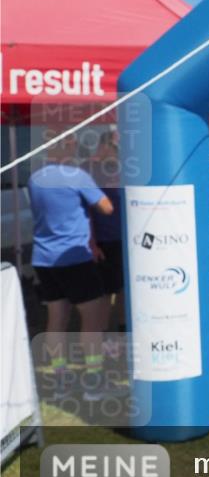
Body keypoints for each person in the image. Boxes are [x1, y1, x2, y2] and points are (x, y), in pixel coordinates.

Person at [28, 132, 116, 401]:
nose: (76, 146)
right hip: (73, 259)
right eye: (73, 142)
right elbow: (106, 207)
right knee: (92, 320)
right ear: (66, 146)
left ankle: (60, 380)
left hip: (44, 258)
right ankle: (93, 381)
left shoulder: (35, 178)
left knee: (57, 320)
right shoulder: (77, 176)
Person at [83, 130, 125, 332]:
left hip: (127, 238)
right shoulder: (93, 171)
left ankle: (123, 329)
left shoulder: (127, 170)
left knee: (126, 288)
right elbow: (87, 212)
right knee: (108, 291)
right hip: (106, 240)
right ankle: (103, 333)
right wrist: (92, 242)